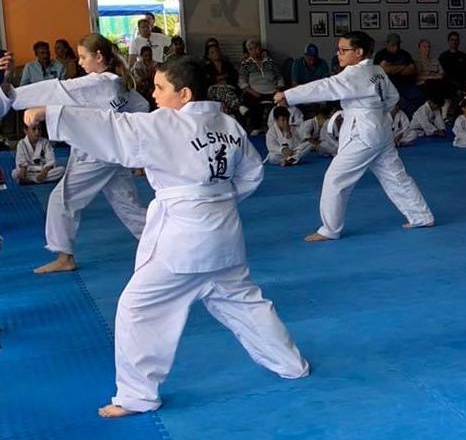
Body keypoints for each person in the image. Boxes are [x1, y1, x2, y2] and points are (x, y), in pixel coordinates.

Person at [22, 57, 308, 417]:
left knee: (136, 309)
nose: (153, 96)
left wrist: (51, 114)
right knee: (243, 302)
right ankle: (291, 364)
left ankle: (137, 396)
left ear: (184, 93)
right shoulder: (228, 125)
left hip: (183, 239)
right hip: (225, 233)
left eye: (160, 88)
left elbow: (112, 128)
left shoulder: (166, 125)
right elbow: (252, 174)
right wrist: (215, 198)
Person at [0, 34, 150, 274]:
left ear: (99, 56)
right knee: (127, 204)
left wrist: (18, 96)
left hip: (96, 155)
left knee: (61, 199)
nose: (79, 62)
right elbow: (141, 107)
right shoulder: (118, 83)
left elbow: (58, 89)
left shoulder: (97, 83)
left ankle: (64, 256)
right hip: (113, 153)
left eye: (83, 57)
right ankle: (160, 243)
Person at [274, 31, 435, 238]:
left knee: (336, 178)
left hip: (363, 133)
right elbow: (393, 97)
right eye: (338, 49)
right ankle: (421, 216)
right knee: (396, 176)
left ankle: (330, 230)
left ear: (358, 52)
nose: (338, 54)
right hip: (381, 128)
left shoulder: (353, 74)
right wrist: (374, 111)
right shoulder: (377, 69)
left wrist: (288, 95)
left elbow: (324, 87)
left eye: (343, 50)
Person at [238, 39, 285, 133]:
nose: (254, 51)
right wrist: (253, 92)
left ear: (260, 48)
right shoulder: (245, 64)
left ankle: (276, 129)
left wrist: (278, 89)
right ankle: (256, 127)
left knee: (282, 101)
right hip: (255, 91)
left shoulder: (270, 62)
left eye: (256, 48)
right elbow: (242, 82)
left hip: (271, 91)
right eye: (250, 49)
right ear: (248, 52)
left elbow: (280, 78)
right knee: (251, 100)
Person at [374, 33, 421, 111]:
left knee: (419, 97)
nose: (396, 47)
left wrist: (392, 68)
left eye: (398, 45)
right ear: (387, 43)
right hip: (389, 86)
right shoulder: (380, 55)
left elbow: (412, 70)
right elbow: (383, 70)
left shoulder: (405, 54)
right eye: (393, 45)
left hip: (407, 84)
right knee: (403, 103)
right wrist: (403, 67)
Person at [204, 39, 240, 113]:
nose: (216, 54)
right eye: (212, 52)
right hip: (214, 90)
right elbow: (207, 81)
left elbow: (233, 77)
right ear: (209, 56)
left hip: (228, 88)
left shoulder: (227, 64)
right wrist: (222, 77)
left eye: (217, 51)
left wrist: (220, 79)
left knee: (229, 93)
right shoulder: (207, 67)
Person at [131, 45, 158, 109]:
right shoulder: (137, 64)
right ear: (141, 56)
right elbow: (141, 78)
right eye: (145, 56)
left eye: (149, 55)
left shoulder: (155, 63)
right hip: (140, 89)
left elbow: (155, 77)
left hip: (151, 88)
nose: (148, 58)